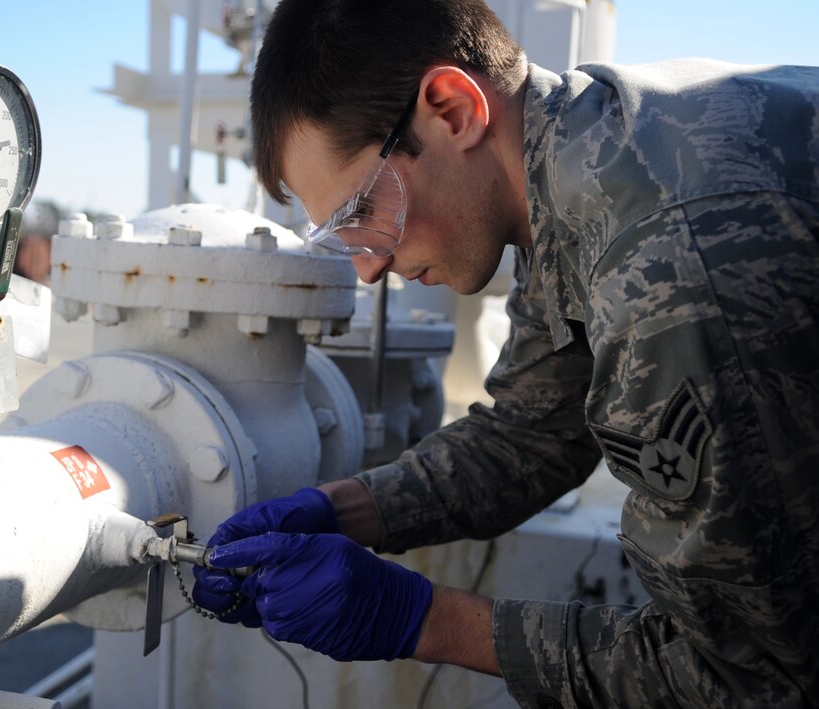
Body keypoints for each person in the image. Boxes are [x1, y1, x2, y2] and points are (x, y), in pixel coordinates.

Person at [191, 0, 819, 706]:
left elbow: (760, 676)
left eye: (362, 211)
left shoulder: (671, 259)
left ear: (453, 109)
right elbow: (531, 432)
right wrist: (337, 510)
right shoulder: (581, 159)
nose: (366, 268)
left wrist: (421, 619)